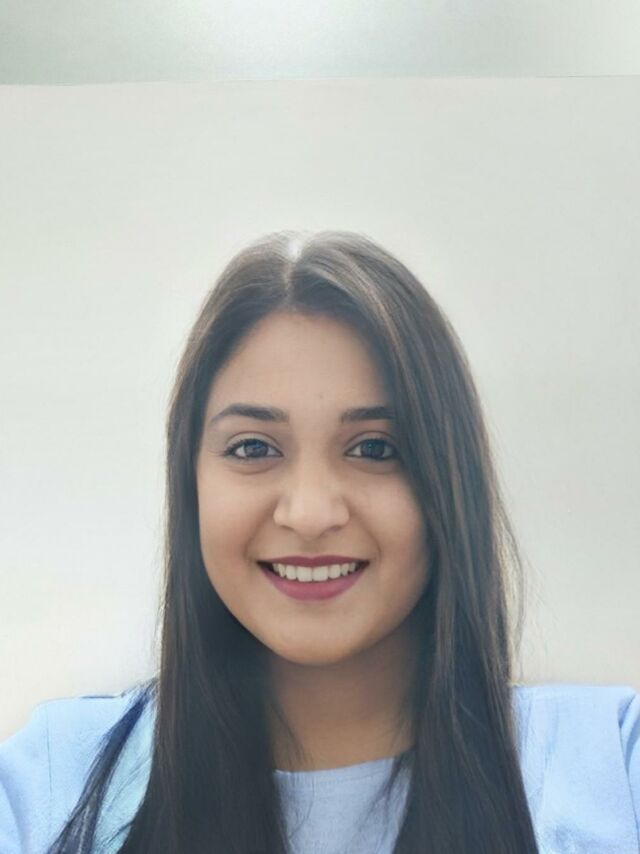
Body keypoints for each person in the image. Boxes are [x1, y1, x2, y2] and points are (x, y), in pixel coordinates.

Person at [0, 230, 638, 854]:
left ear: (450, 482)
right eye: (253, 447)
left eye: (375, 449)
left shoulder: (614, 766)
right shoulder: (53, 783)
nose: (308, 514)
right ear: (189, 482)